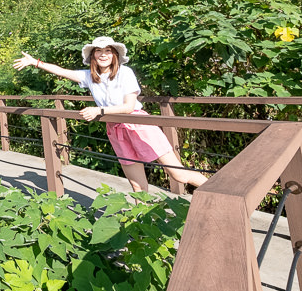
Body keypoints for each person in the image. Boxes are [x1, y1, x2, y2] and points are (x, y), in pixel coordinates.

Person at [12, 36, 206, 193]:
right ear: (93, 55)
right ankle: (141, 227)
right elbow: (62, 71)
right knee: (137, 186)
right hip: (115, 129)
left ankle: (219, 192)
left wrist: (99, 111)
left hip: (139, 124)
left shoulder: (125, 73)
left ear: (114, 55)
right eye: (99, 51)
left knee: (178, 174)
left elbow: (129, 107)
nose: (103, 54)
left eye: (107, 51)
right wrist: (35, 62)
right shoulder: (90, 77)